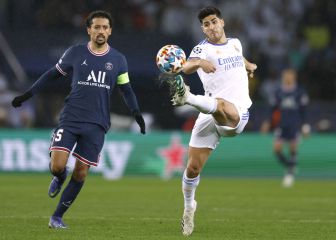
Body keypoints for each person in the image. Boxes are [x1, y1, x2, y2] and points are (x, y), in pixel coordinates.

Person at [11, 10, 146, 229]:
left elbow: (126, 89)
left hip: (97, 123)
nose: (100, 31)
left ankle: (57, 217)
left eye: (104, 27)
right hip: (71, 118)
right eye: (96, 27)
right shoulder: (75, 52)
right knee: (57, 166)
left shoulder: (119, 59)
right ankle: (59, 176)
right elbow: (51, 74)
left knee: (82, 171)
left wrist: (137, 113)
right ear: (89, 30)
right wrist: (28, 94)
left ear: (110, 31)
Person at [169, 6, 257, 236]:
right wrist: (198, 63)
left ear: (222, 22)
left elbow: (238, 57)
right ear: (203, 28)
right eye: (206, 24)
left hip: (237, 111)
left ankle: (186, 97)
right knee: (192, 168)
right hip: (208, 112)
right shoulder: (202, 49)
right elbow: (185, 66)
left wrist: (249, 65)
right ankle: (189, 209)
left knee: (222, 105)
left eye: (214, 21)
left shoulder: (236, 43)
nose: (211, 27)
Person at [260, 68, 310, 188]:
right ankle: (291, 167)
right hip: (281, 124)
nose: (287, 78)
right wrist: (267, 122)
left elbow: (304, 111)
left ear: (294, 77)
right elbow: (272, 109)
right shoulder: (278, 92)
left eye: (290, 76)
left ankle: (289, 174)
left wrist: (305, 125)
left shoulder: (299, 91)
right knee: (277, 149)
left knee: (293, 148)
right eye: (285, 76)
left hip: (295, 124)